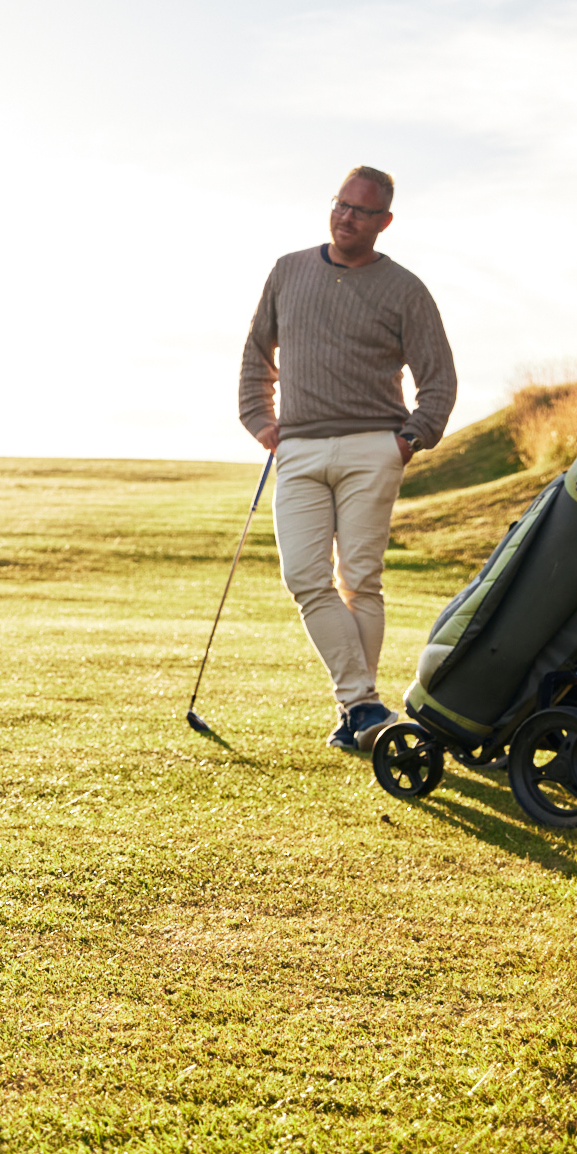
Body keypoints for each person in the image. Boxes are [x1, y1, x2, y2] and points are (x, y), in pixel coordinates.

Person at [237, 166, 458, 754]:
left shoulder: (405, 289)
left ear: (384, 222)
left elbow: (438, 378)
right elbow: (258, 351)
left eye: (361, 211)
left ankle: (355, 710)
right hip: (300, 449)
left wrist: (410, 439)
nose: (346, 217)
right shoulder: (289, 271)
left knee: (360, 581)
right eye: (340, 204)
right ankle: (362, 705)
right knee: (305, 578)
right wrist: (260, 421)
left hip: (373, 448)